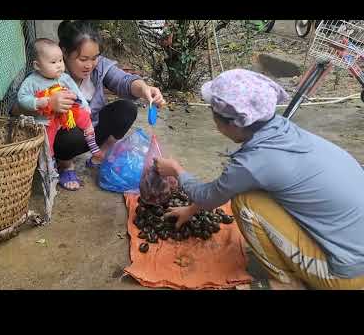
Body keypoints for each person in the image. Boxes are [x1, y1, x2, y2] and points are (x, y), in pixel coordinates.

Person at [155, 69, 364, 290]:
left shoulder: (252, 163)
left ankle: (287, 283)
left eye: (214, 115)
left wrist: (177, 170)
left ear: (233, 125)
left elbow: (208, 197)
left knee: (245, 203)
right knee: (264, 192)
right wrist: (191, 210)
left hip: (347, 275)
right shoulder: (285, 131)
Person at [23, 20, 165, 191]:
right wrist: (48, 103)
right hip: (64, 138)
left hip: (92, 130)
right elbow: (18, 107)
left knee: (127, 109)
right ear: (65, 53)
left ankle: (100, 155)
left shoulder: (100, 67)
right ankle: (65, 165)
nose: (90, 65)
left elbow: (124, 81)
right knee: (70, 132)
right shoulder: (47, 75)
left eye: (94, 58)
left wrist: (145, 89)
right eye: (83, 59)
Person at [17, 38, 103, 166]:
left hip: (66, 116)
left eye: (60, 60)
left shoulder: (64, 78)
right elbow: (22, 98)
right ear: (37, 65)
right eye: (53, 62)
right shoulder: (32, 81)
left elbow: (77, 93)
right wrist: (39, 102)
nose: (59, 65)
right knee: (47, 139)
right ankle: (49, 159)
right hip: (47, 120)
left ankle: (91, 139)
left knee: (84, 115)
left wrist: (84, 105)